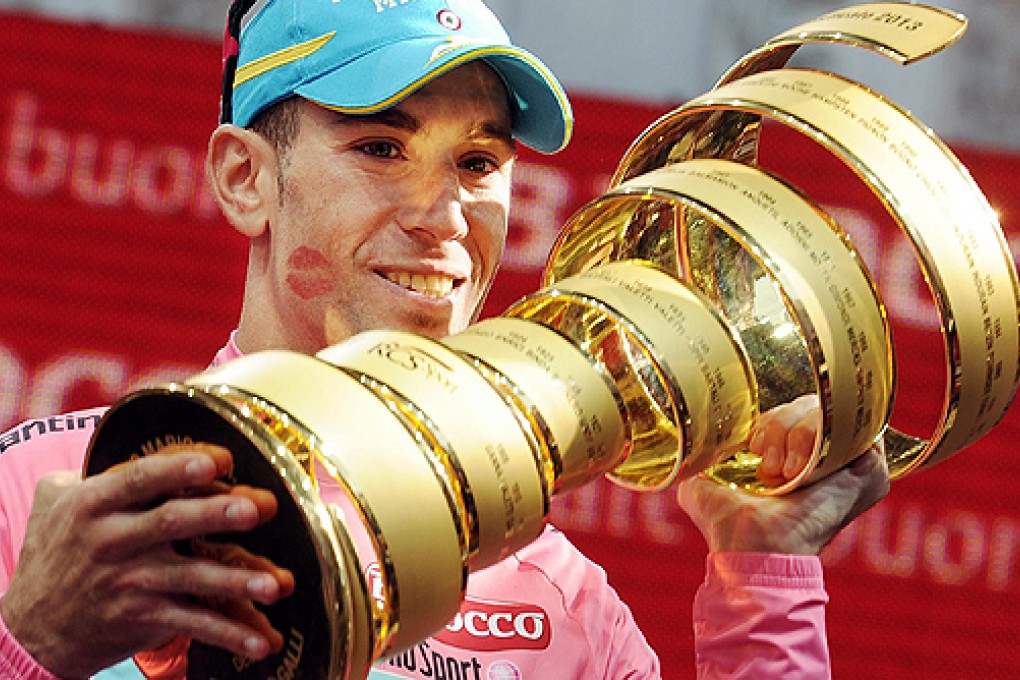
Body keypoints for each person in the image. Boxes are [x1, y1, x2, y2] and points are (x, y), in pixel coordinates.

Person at [0, 1, 890, 678]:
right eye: (382, 147)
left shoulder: (563, 604)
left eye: (478, 163)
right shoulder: (45, 497)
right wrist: (36, 642)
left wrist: (762, 572)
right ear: (245, 180)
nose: (445, 217)